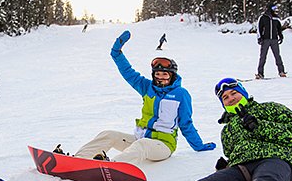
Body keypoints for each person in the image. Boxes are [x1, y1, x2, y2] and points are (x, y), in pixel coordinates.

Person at [121, 77, 292, 181]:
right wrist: (226, 167)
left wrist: (259, 126)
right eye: (225, 97)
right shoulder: (227, 130)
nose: (231, 98)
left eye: (234, 93)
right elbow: (234, 153)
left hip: (276, 161)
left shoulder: (269, 109)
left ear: (243, 93)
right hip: (242, 168)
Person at [58, 30, 216, 165]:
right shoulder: (147, 87)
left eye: (164, 74)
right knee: (108, 134)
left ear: (172, 76)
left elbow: (186, 124)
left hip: (163, 146)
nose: (160, 77)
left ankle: (112, 167)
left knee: (141, 145)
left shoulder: (181, 95)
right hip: (140, 139)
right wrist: (116, 53)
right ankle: (78, 161)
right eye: (157, 74)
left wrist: (199, 146)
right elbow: (128, 72)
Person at [256, 4, 286, 79]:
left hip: (274, 40)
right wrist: (259, 38)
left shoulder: (276, 18)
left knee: (277, 56)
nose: (275, 9)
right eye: (274, 8)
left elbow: (279, 29)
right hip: (265, 40)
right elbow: (259, 28)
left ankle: (281, 71)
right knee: (263, 57)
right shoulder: (263, 18)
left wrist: (281, 36)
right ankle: (260, 73)